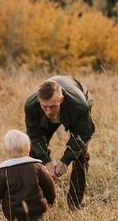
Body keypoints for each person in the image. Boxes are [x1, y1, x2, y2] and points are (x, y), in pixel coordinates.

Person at [24, 75, 95, 210]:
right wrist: (47, 162)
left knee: (81, 154)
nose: (49, 111)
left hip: (76, 103)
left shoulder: (79, 105)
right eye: (45, 106)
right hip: (53, 109)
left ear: (61, 100)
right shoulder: (31, 105)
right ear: (39, 100)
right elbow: (34, 136)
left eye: (53, 106)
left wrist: (65, 161)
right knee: (33, 153)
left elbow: (84, 134)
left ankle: (74, 204)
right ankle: (39, 199)